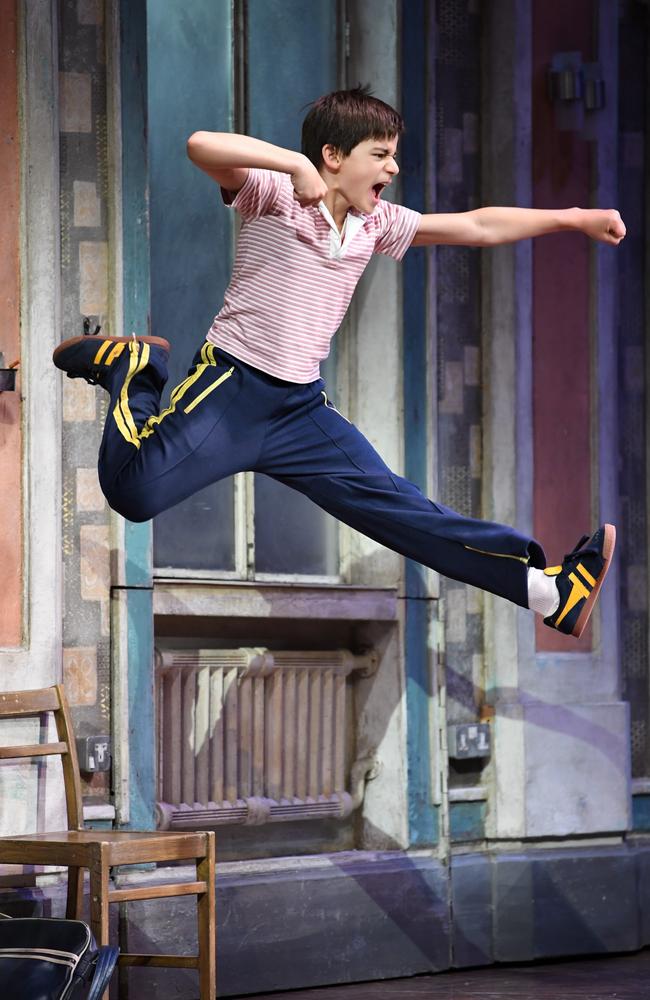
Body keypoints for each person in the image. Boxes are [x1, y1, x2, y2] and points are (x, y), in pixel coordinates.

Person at [53, 87, 624, 638]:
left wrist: (574, 217)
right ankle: (134, 368)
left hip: (300, 411)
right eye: (380, 155)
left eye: (393, 156)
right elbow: (201, 145)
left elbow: (475, 226)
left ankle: (549, 593)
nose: (392, 168)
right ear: (333, 156)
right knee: (133, 494)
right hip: (233, 390)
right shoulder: (276, 195)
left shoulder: (376, 225)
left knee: (401, 514)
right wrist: (291, 166)